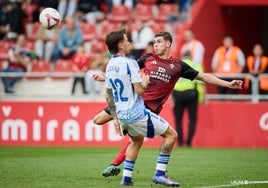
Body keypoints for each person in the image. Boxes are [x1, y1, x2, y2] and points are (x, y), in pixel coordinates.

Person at [93, 31, 243, 178]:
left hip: (148, 108)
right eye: (154, 42)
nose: (155, 45)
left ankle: (116, 166)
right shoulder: (148, 58)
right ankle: (124, 169)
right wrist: (106, 77)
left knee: (136, 140)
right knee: (98, 120)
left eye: (158, 42)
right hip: (131, 102)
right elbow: (125, 70)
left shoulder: (178, 66)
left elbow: (203, 77)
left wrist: (228, 84)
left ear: (168, 44)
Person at [104, 28, 180, 186]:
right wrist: (144, 82)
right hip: (136, 113)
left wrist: (116, 118)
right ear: (120, 44)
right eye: (126, 40)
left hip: (122, 115)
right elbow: (139, 90)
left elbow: (108, 94)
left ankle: (126, 179)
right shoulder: (130, 62)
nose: (129, 42)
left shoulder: (110, 65)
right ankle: (160, 174)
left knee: (136, 141)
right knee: (171, 135)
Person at [172, 50, 205, 147]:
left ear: (183, 56)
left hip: (177, 94)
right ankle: (189, 142)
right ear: (191, 56)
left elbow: (171, 81)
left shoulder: (176, 65)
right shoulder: (196, 65)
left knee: (178, 119)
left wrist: (171, 96)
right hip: (191, 94)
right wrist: (201, 97)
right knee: (192, 119)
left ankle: (180, 142)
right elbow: (201, 82)